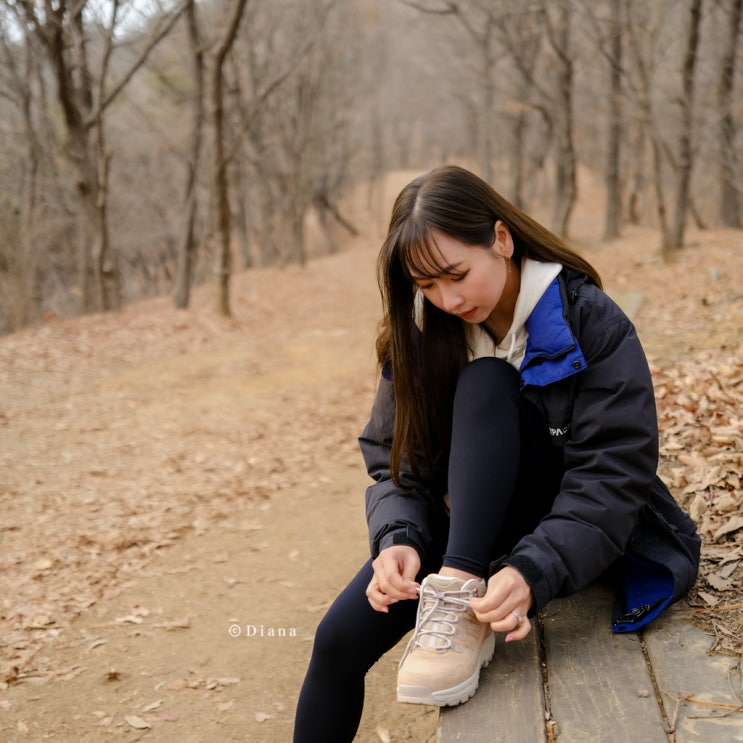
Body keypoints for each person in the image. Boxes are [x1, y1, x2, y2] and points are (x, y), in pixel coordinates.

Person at [292, 165, 700, 742]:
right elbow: (395, 459)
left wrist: (534, 569)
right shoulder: (421, 331)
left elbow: (613, 477)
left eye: (456, 275)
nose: (447, 298)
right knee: (336, 641)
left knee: (487, 381)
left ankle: (461, 591)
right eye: (426, 286)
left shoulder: (588, 321)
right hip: (466, 525)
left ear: (501, 240)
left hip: (563, 524)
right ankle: (455, 583)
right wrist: (399, 540)